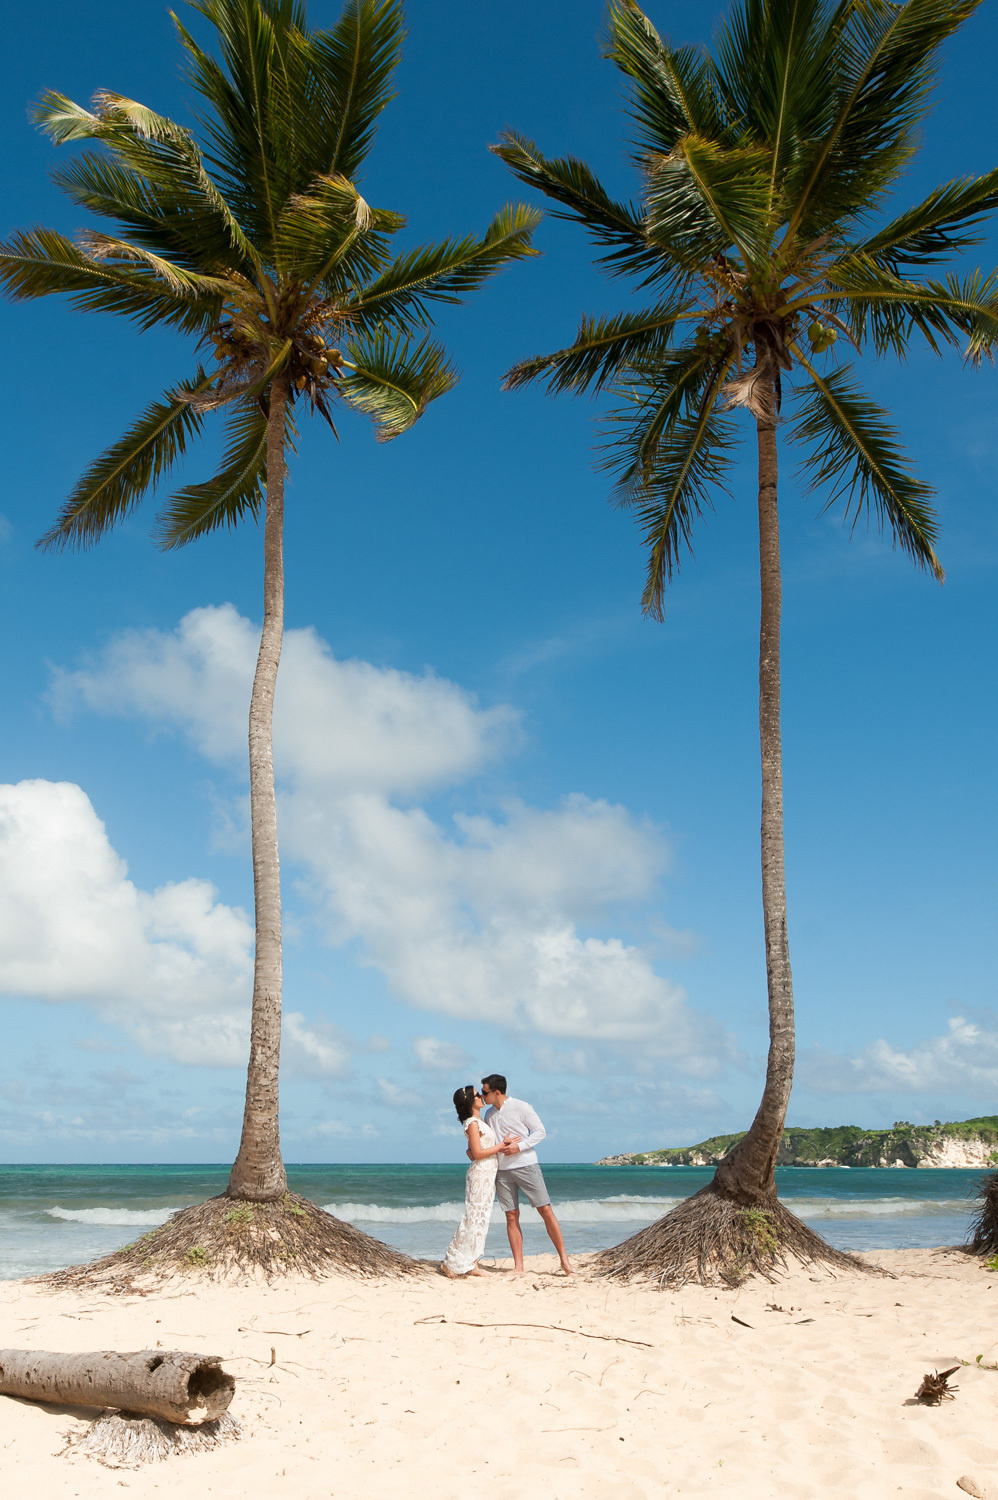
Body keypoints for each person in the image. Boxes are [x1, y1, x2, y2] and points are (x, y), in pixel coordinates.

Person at [481, 1074, 573, 1276]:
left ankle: (565, 1261)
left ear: (497, 1092)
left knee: (545, 1210)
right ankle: (519, 1266)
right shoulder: (488, 1115)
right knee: (511, 1216)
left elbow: (540, 1131)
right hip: (502, 1171)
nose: (482, 1096)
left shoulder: (522, 1107)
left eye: (485, 1092)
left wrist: (519, 1147)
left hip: (526, 1166)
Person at [440, 1085, 513, 1278]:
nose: (481, 1097)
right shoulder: (472, 1123)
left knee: (481, 1220)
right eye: (477, 1095)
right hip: (480, 1175)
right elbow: (478, 1153)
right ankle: (451, 1261)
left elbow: (473, 1151)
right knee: (472, 1219)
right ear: (470, 1102)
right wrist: (500, 1146)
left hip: (487, 1175)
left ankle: (472, 1263)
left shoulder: (479, 1121)